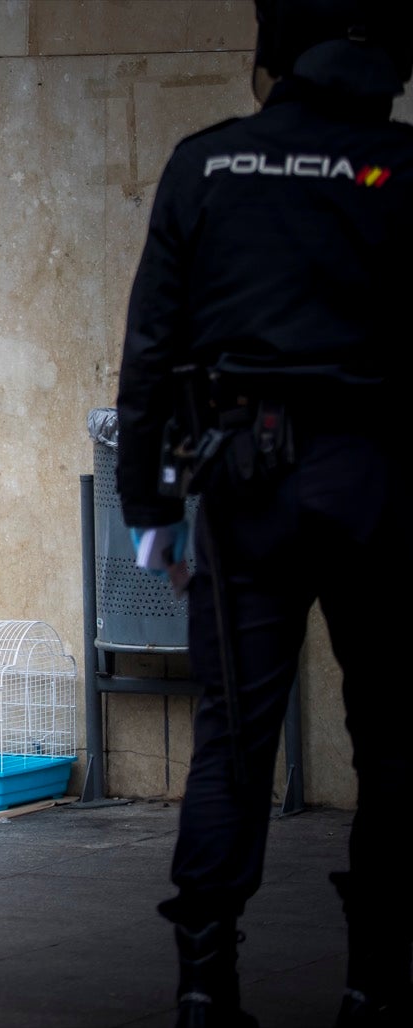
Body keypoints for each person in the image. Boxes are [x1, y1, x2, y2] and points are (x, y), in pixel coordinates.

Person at [114, 1, 412, 1024]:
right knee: (393, 739)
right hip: (383, 484)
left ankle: (205, 984)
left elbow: (150, 341)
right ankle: (377, 978)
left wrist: (146, 497)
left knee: (231, 737)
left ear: (267, 59)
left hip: (245, 484)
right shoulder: (403, 164)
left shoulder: (208, 163)